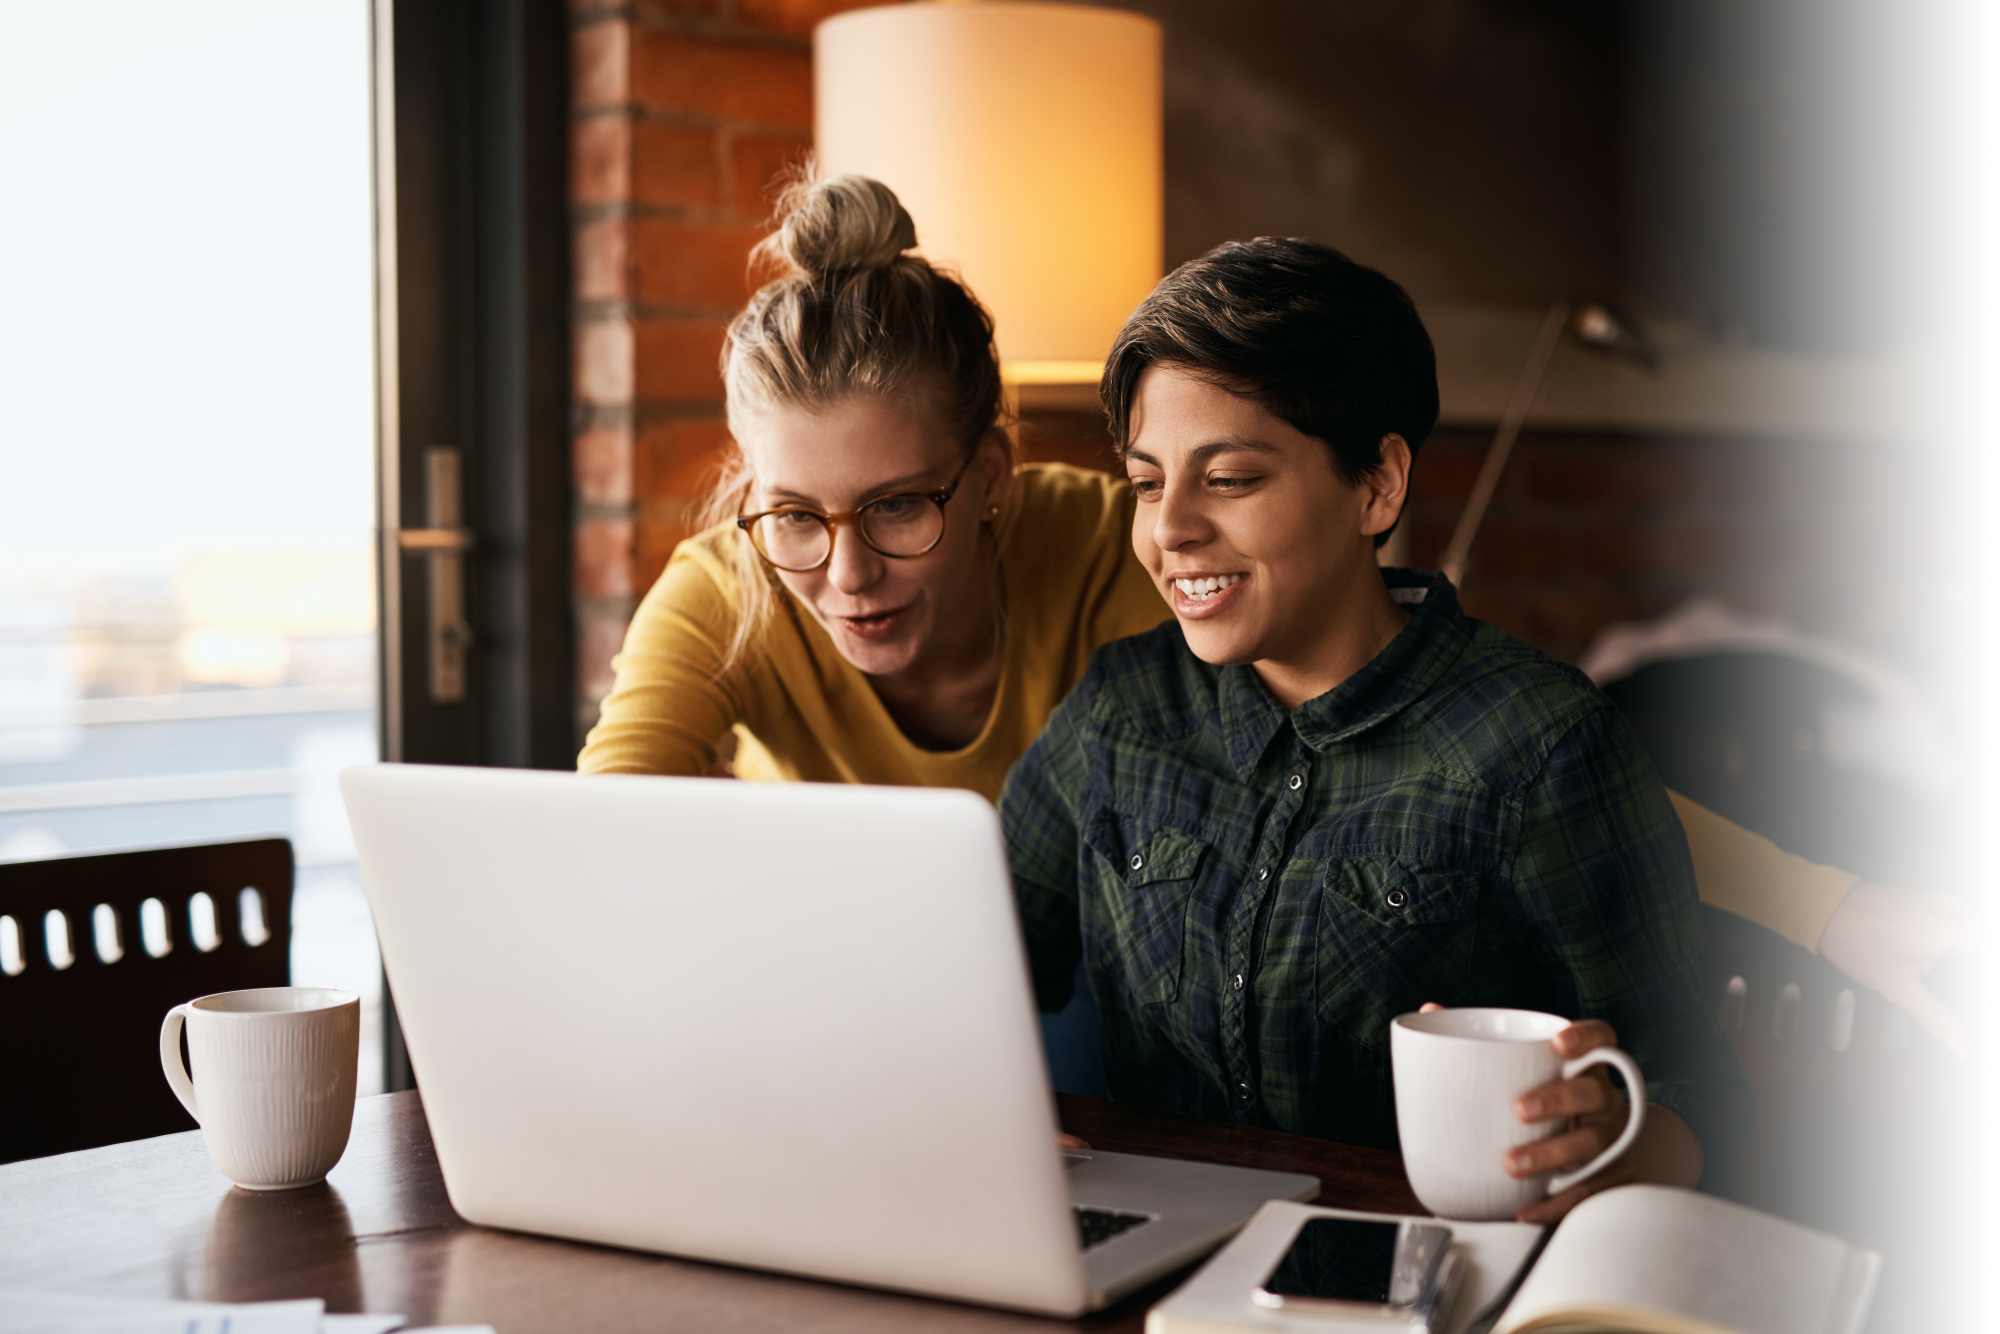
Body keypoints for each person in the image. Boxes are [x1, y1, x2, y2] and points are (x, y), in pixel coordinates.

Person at [577, 172, 1991, 1058]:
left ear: (991, 479)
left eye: (899, 507)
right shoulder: (735, 585)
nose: (846, 568)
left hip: (1087, 996)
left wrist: (1816, 900)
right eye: (793, 515)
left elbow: (1496, 762)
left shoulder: (1129, 540)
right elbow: (594, 852)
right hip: (867, 997)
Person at [1001, 236, 1748, 1220]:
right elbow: (980, 969)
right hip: (1154, 1263)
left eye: (1226, 476)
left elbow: (1695, 1092)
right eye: (1145, 481)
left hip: (1425, 1273)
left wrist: (1615, 1133)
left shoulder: (1537, 742)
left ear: (1375, 486)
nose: (1169, 526)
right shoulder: (1119, 711)